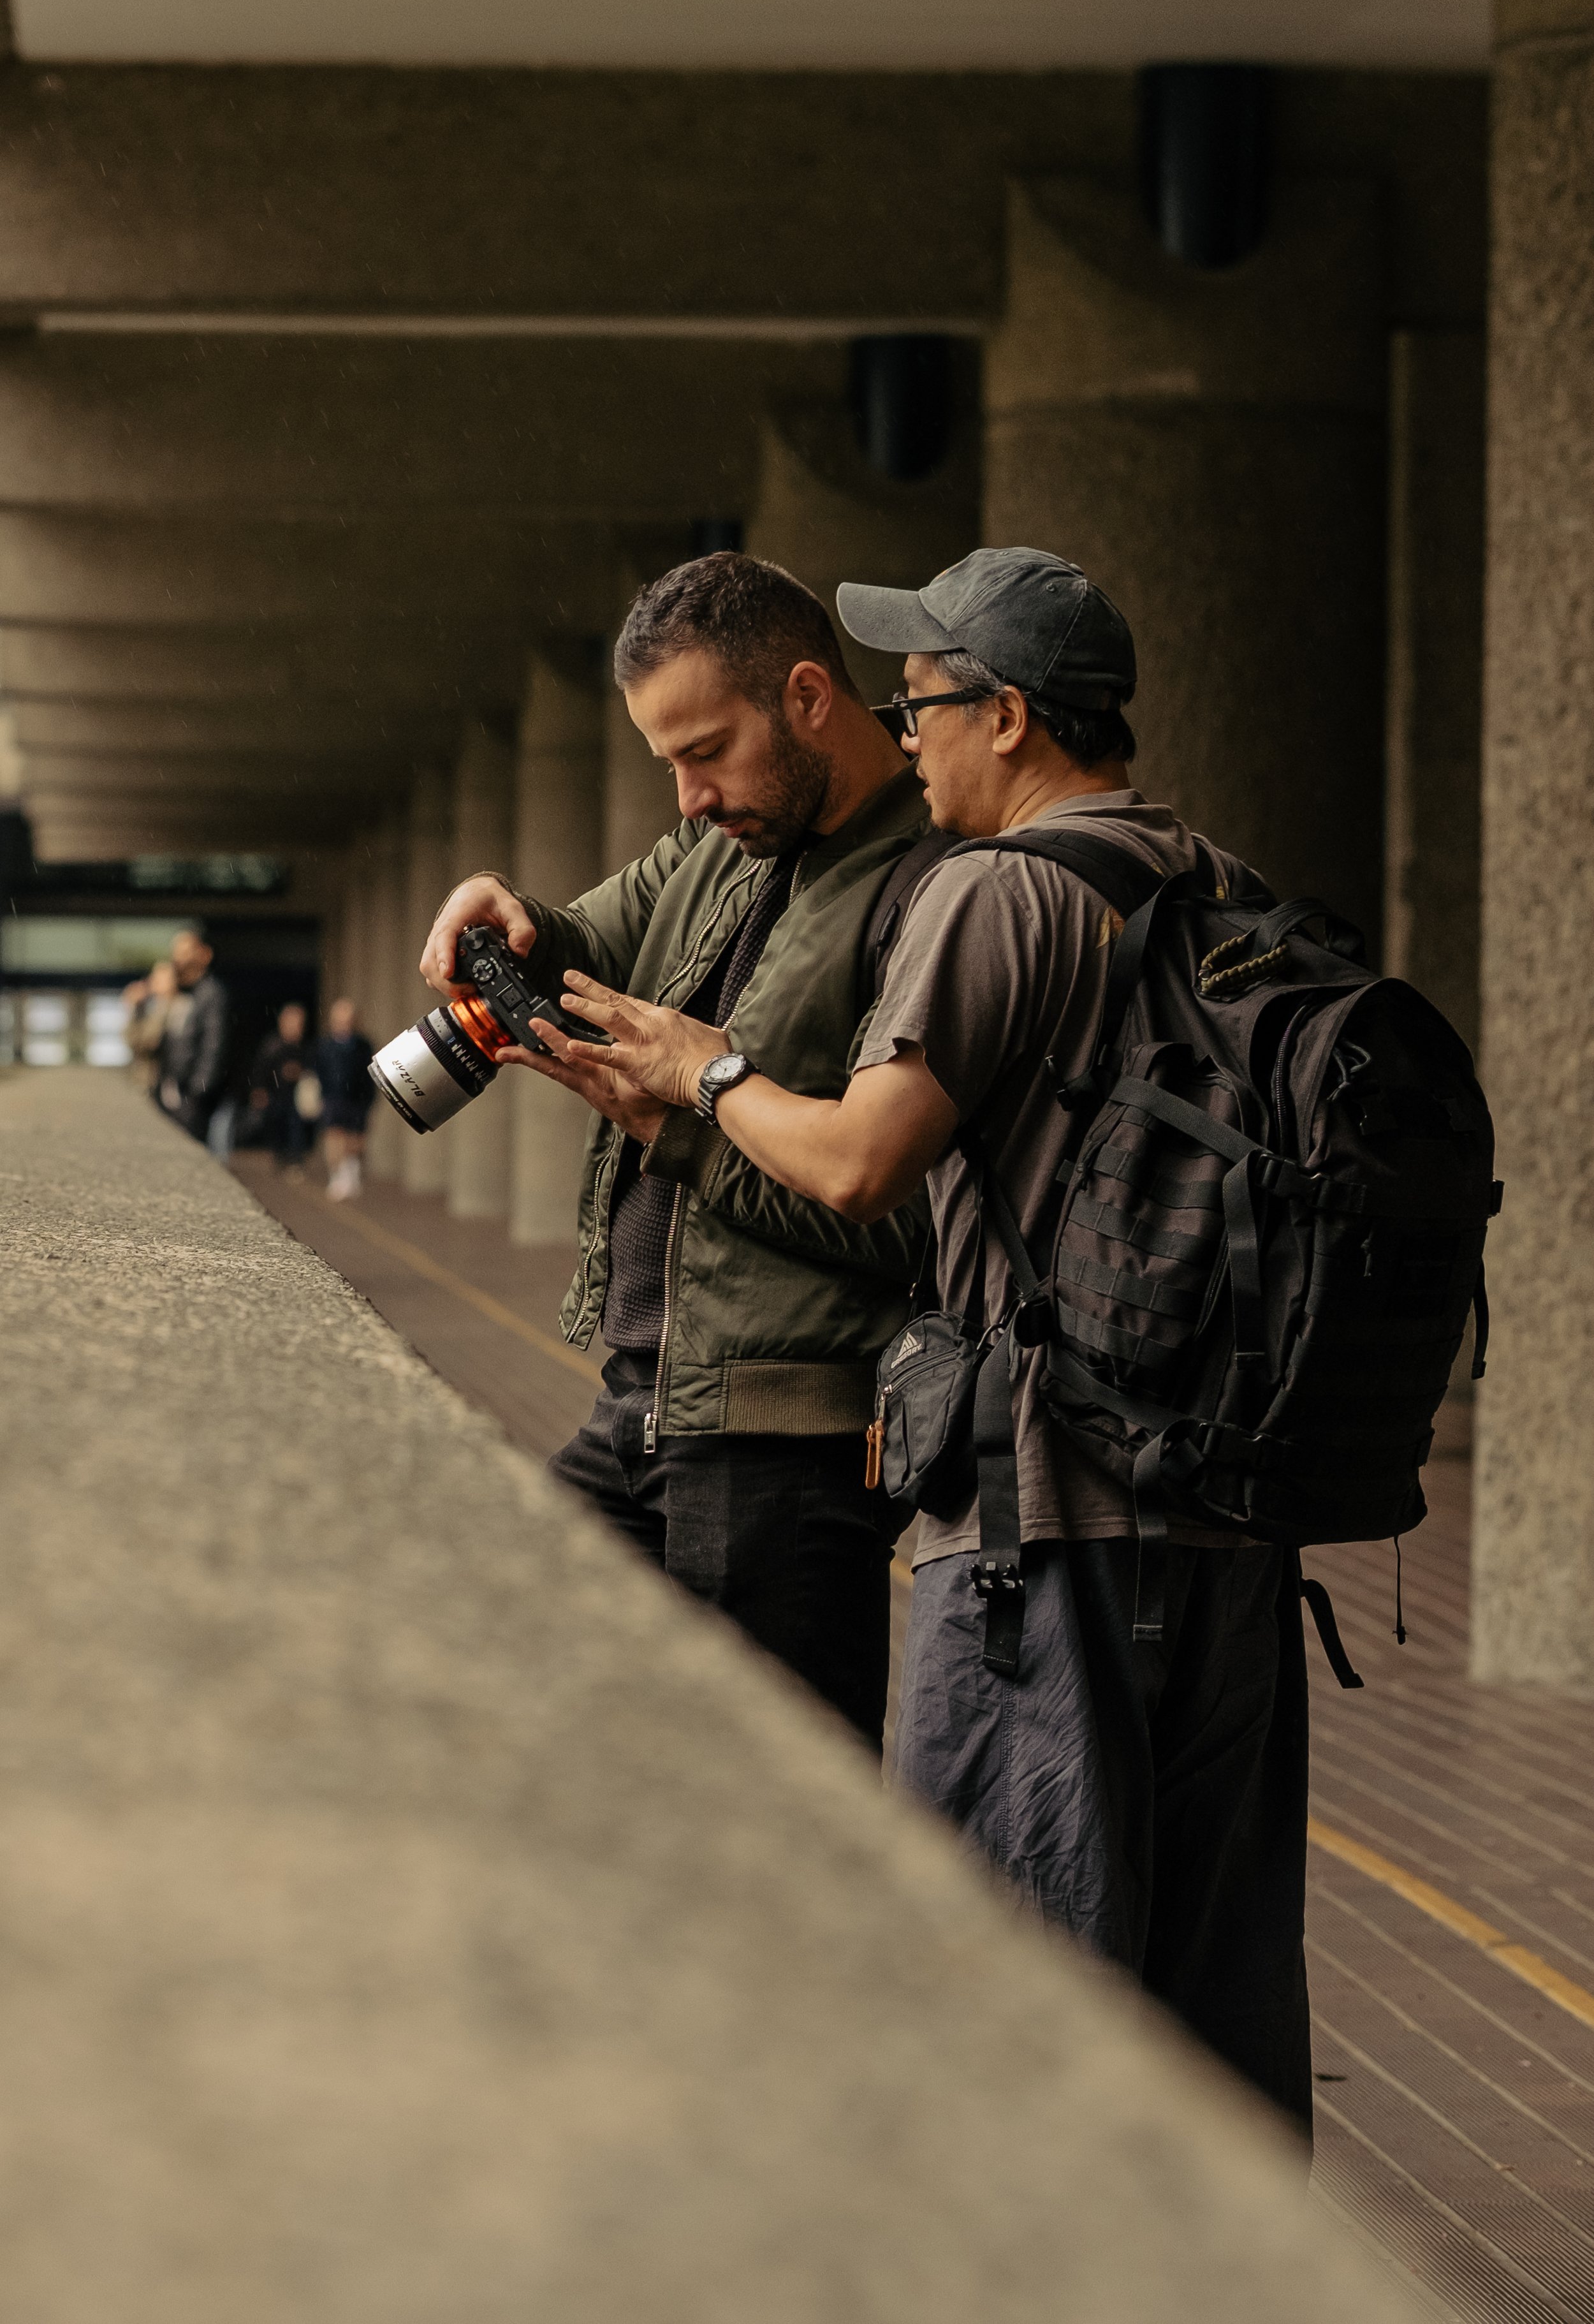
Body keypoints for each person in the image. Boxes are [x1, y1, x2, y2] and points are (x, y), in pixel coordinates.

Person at [531, 547, 1312, 2130]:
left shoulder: (995, 889)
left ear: (1008, 717)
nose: (911, 726)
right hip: (1231, 1510)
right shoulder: (1218, 882)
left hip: (1050, 1510)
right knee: (1218, 1994)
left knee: (1005, 1976)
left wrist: (702, 1072)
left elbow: (860, 1164)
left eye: (928, 699)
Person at [420, 552, 932, 1751]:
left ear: (808, 697)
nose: (691, 796)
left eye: (707, 751)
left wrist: (678, 1128)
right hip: (644, 1402)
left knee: (786, 1829)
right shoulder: (725, 842)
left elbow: (903, 1216)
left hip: (790, 1450)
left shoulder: (931, 885)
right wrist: (513, 911)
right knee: (499, 1685)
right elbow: (591, 931)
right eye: (669, 765)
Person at [157, 929, 231, 1144]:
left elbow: (214, 1046)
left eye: (186, 951)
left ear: (204, 954)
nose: (179, 958)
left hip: (192, 1096)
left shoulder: (211, 993)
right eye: (177, 952)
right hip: (176, 1092)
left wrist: (198, 1092)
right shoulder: (184, 994)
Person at [315, 997, 375, 1200]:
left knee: (356, 1140)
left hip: (357, 1098)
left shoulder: (363, 1045)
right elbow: (319, 1072)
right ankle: (337, 1175)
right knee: (334, 1136)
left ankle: (351, 1172)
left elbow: (370, 1072)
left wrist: (369, 1098)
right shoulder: (325, 1045)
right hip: (334, 1097)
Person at [246, 1002, 315, 1172]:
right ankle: (280, 1158)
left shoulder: (305, 1047)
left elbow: (312, 1070)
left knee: (296, 1129)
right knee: (277, 1127)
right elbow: (261, 1069)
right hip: (276, 1095)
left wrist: (299, 1072)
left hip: (296, 1097)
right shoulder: (272, 1045)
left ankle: (295, 1160)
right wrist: (260, 1090)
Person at [122, 958, 182, 1093]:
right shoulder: (154, 1007)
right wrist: (134, 1008)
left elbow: (149, 1042)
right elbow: (133, 1041)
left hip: (169, 1082)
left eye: (159, 979)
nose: (153, 982)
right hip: (151, 1081)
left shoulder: (178, 1007)